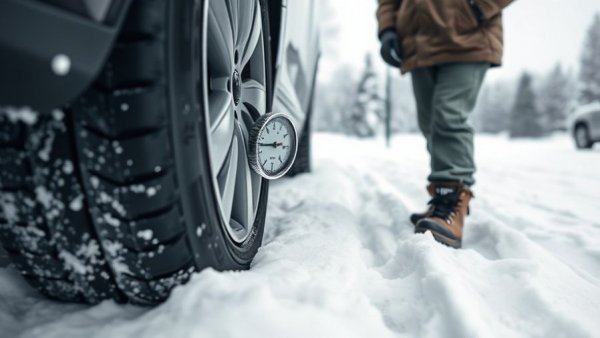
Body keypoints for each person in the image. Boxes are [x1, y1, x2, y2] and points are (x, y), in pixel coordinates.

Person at [376, 0, 513, 248]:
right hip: (417, 43)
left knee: (448, 116)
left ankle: (452, 203)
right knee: (430, 124)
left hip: (467, 38)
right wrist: (388, 29)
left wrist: (474, 7)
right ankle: (442, 199)